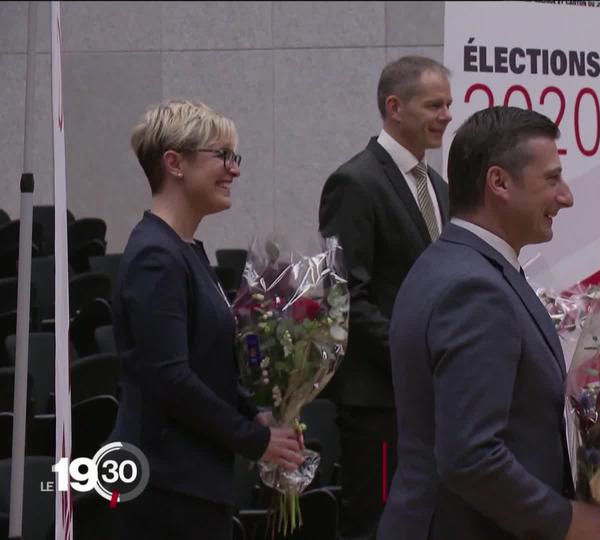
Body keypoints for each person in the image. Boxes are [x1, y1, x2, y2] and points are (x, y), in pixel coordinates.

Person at [379, 106, 600, 540]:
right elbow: (470, 456)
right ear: (499, 182)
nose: (567, 196)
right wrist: (563, 519)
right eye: (551, 178)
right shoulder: (474, 288)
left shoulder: (458, 265)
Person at [110, 99, 303, 540]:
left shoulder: (185, 250)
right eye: (222, 156)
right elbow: (170, 378)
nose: (234, 169)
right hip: (163, 487)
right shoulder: (156, 257)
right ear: (174, 163)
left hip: (190, 482)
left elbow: (205, 365)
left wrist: (255, 416)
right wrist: (254, 441)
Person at [317, 55, 453, 540]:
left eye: (448, 105)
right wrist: (415, 356)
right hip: (377, 399)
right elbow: (345, 296)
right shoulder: (355, 182)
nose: (446, 115)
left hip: (428, 397)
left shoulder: (437, 186)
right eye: (434, 105)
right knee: (374, 525)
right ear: (395, 107)